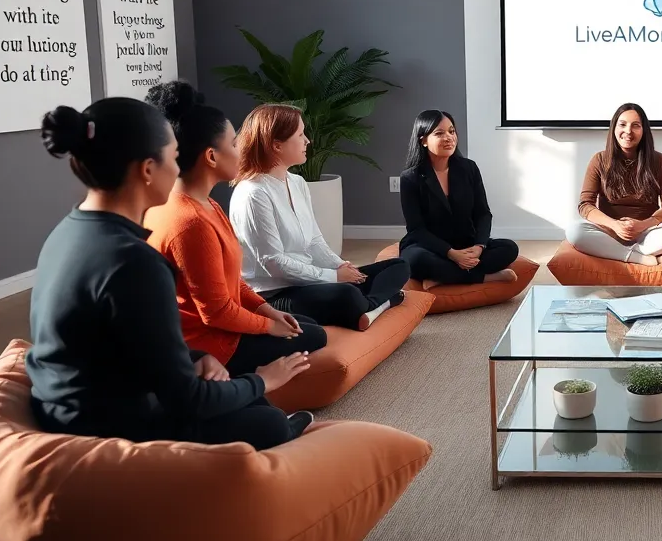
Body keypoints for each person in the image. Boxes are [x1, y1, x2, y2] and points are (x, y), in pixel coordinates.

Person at [27, 98, 312, 450]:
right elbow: (188, 399)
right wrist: (263, 380)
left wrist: (197, 358)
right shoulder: (136, 263)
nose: (179, 169)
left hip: (70, 402)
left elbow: (124, 342)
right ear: (148, 169)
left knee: (248, 401)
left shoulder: (68, 230)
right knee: (267, 420)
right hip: (100, 423)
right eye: (174, 157)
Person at [144, 81, 328, 376]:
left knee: (307, 326)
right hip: (210, 344)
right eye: (233, 144)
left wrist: (267, 311)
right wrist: (268, 326)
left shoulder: (207, 205)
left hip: (222, 324)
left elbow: (234, 282)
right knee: (315, 335)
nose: (242, 150)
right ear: (211, 156)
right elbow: (216, 313)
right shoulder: (190, 222)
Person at [230, 104, 410, 331]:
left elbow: (314, 240)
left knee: (399, 266)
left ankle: (370, 307)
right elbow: (274, 264)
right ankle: (381, 303)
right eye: (300, 135)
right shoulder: (253, 193)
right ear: (276, 145)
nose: (307, 140)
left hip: (309, 282)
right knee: (347, 295)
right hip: (274, 294)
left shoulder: (297, 183)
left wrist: (340, 266)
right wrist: (333, 277)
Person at [398, 110, 519, 288]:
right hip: (430, 247)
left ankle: (443, 277)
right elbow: (416, 229)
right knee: (415, 261)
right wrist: (451, 254)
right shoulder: (410, 178)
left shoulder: (469, 168)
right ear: (423, 140)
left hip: (465, 242)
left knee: (509, 248)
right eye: (439, 133)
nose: (449, 137)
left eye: (452, 131)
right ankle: (485, 277)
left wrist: (479, 247)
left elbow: (483, 214)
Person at [567, 103, 662, 265]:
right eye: (622, 124)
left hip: (647, 233)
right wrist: (615, 225)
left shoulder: (660, 161)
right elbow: (585, 205)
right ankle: (643, 259)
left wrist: (642, 225)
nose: (628, 131)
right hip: (609, 233)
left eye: (635, 126)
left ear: (644, 130)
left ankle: (622, 254)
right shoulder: (599, 160)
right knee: (575, 231)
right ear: (614, 128)